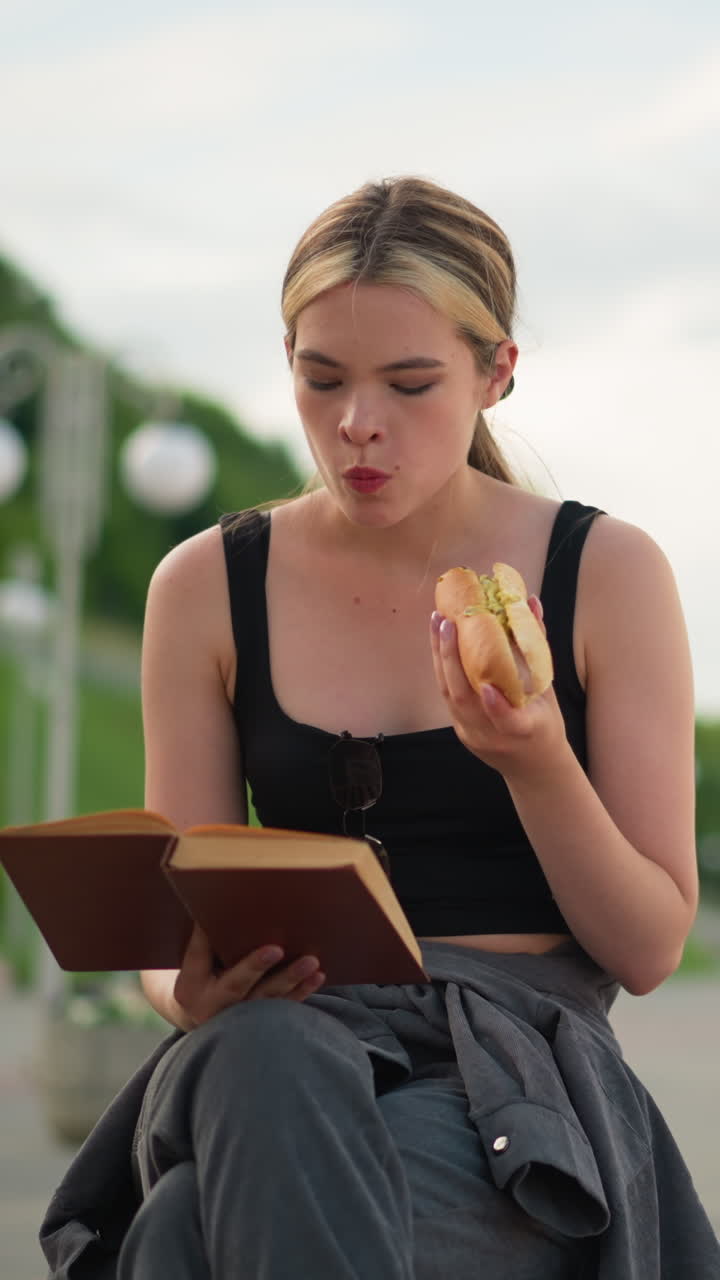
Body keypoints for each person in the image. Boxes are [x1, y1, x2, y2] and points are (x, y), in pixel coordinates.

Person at [40, 177, 720, 1279]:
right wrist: (186, 985)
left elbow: (648, 946)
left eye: (410, 383)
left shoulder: (604, 573)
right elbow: (175, 922)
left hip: (506, 1073)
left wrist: (536, 760)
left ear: (497, 372)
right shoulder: (208, 583)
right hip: (275, 1043)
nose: (358, 423)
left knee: (176, 1234)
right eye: (322, 379)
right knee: (257, 1045)